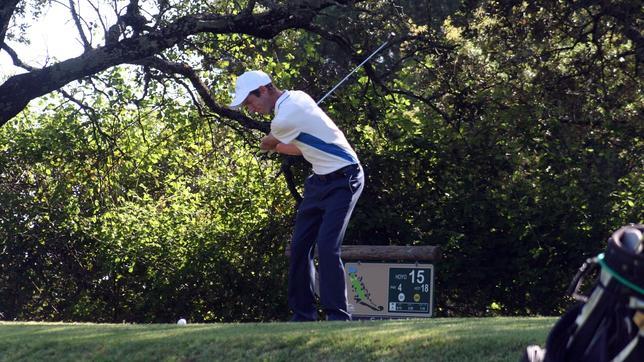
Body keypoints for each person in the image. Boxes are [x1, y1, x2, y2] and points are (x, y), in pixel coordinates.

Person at [229, 70, 364, 321]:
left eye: (250, 102)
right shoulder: (297, 98)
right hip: (319, 181)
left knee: (326, 246)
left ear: (264, 90)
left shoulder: (283, 118)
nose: (251, 109)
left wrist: (268, 143)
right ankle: (303, 315)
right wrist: (277, 145)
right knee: (300, 246)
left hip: (345, 177)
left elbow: (271, 139)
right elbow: (301, 149)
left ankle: (337, 316)